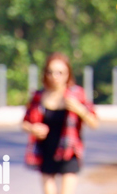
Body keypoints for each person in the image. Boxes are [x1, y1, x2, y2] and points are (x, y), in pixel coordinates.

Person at [21, 53, 99, 194]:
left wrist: (79, 109)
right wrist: (33, 128)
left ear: (68, 74)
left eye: (60, 72)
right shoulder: (39, 96)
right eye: (50, 72)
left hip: (69, 151)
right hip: (45, 152)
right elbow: (24, 123)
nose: (54, 76)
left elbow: (94, 123)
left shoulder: (76, 94)